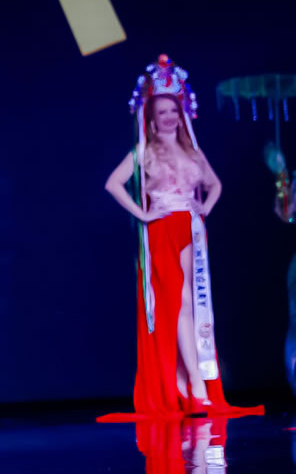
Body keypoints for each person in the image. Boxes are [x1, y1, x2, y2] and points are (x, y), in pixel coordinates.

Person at [98, 55, 260, 421]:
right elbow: (113, 184)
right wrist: (143, 214)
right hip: (161, 230)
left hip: (191, 230)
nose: (169, 116)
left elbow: (214, 185)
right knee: (176, 303)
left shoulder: (192, 150)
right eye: (163, 111)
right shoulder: (143, 150)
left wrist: (204, 210)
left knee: (192, 305)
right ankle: (194, 388)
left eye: (174, 109)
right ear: (152, 118)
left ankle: (189, 384)